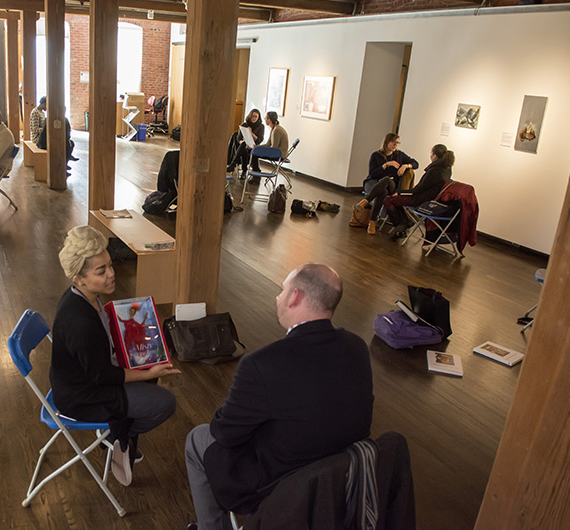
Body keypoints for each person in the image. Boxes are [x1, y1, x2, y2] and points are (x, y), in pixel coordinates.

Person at [185, 263, 374, 530]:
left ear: (295, 296)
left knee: (197, 439)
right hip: (341, 480)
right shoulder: (357, 347)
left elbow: (225, 433)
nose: (278, 297)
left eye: (282, 290)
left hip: (279, 486)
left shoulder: (262, 363)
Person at [52, 226, 181, 486]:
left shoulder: (83, 296)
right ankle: (117, 437)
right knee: (165, 403)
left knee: (147, 369)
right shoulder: (80, 322)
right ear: (79, 278)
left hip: (87, 378)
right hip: (82, 397)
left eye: (110, 265)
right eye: (101, 271)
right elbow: (103, 376)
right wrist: (147, 372)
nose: (112, 274)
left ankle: (118, 431)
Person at [384, 144, 455, 241]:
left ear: (434, 156)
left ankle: (401, 226)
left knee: (388, 200)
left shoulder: (434, 171)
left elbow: (417, 190)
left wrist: (400, 193)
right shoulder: (447, 169)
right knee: (396, 200)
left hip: (421, 200)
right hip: (431, 199)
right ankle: (404, 223)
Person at [355, 133, 419, 235]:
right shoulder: (376, 155)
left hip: (390, 184)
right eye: (393, 142)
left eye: (397, 143)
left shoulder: (399, 155)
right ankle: (372, 221)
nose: (395, 145)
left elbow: (416, 163)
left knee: (386, 180)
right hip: (373, 182)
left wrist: (406, 166)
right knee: (382, 192)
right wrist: (386, 165)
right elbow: (373, 174)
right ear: (386, 142)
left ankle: (365, 201)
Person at [226, 109, 264, 177]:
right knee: (244, 147)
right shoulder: (244, 124)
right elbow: (238, 138)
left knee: (245, 148)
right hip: (243, 146)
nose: (254, 118)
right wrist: (241, 142)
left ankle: (234, 165)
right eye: (252, 116)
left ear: (258, 117)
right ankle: (243, 171)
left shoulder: (261, 126)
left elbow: (259, 140)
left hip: (253, 147)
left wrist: (251, 133)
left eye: (256, 117)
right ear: (250, 116)